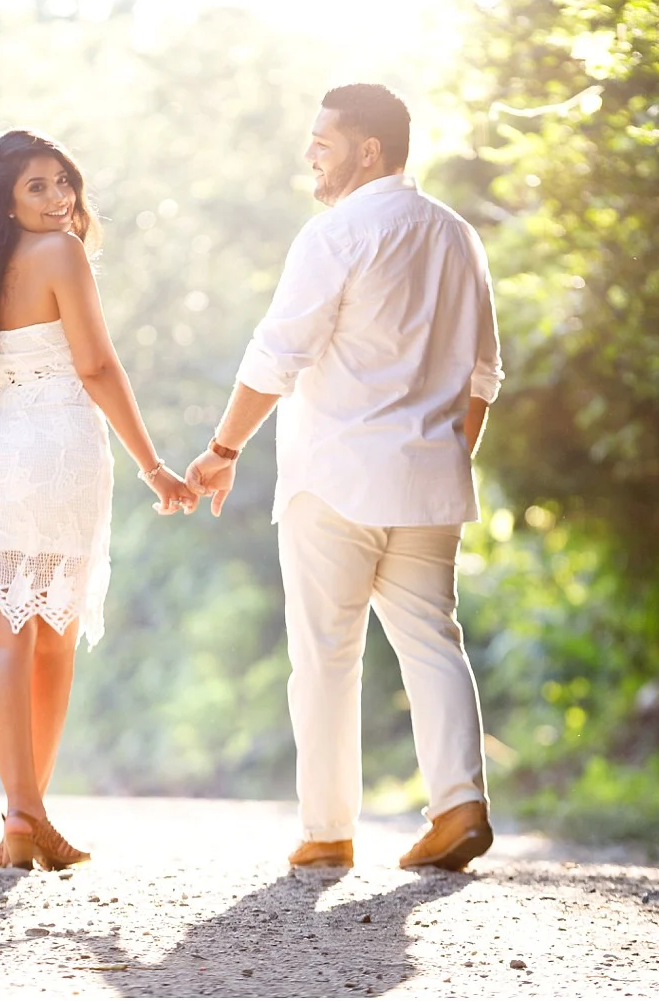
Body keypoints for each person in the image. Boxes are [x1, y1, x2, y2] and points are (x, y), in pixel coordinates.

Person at [186, 84, 504, 872]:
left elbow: (276, 355)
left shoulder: (334, 235)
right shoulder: (458, 236)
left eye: (323, 141)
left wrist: (222, 449)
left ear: (369, 150)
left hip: (336, 476)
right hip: (429, 476)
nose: (310, 155)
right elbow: (483, 376)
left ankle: (328, 831)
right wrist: (452, 454)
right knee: (433, 640)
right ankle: (459, 804)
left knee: (327, 655)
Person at [0, 130, 196, 871]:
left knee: (2, 635)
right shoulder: (63, 254)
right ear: (4, 202)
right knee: (46, 639)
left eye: (62, 181)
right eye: (36, 188)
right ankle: (25, 812)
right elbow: (98, 364)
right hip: (57, 453)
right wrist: (153, 464)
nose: (59, 199)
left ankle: (24, 816)